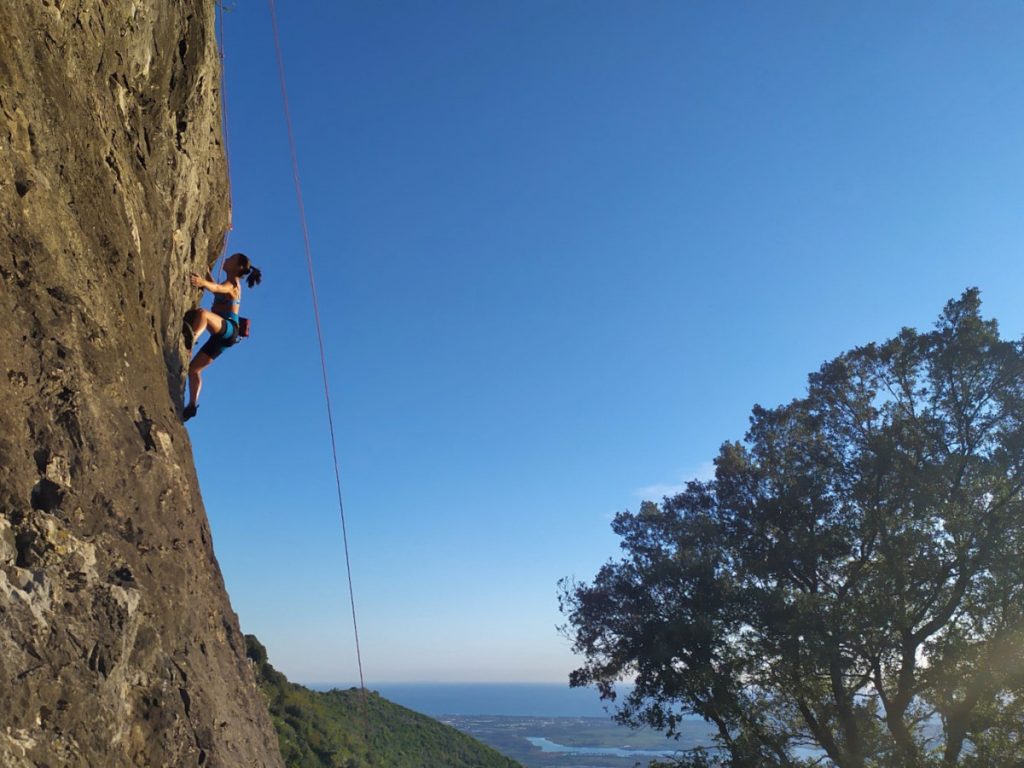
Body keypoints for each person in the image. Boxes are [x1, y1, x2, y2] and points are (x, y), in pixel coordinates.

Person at [182, 252, 262, 421]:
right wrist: (206, 275)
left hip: (229, 329)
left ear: (238, 267)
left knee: (203, 314)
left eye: (231, 259)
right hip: (224, 337)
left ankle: (191, 339)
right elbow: (216, 288)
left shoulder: (233, 284)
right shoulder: (229, 283)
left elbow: (219, 289)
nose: (226, 259)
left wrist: (202, 282)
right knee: (193, 369)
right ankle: (192, 405)